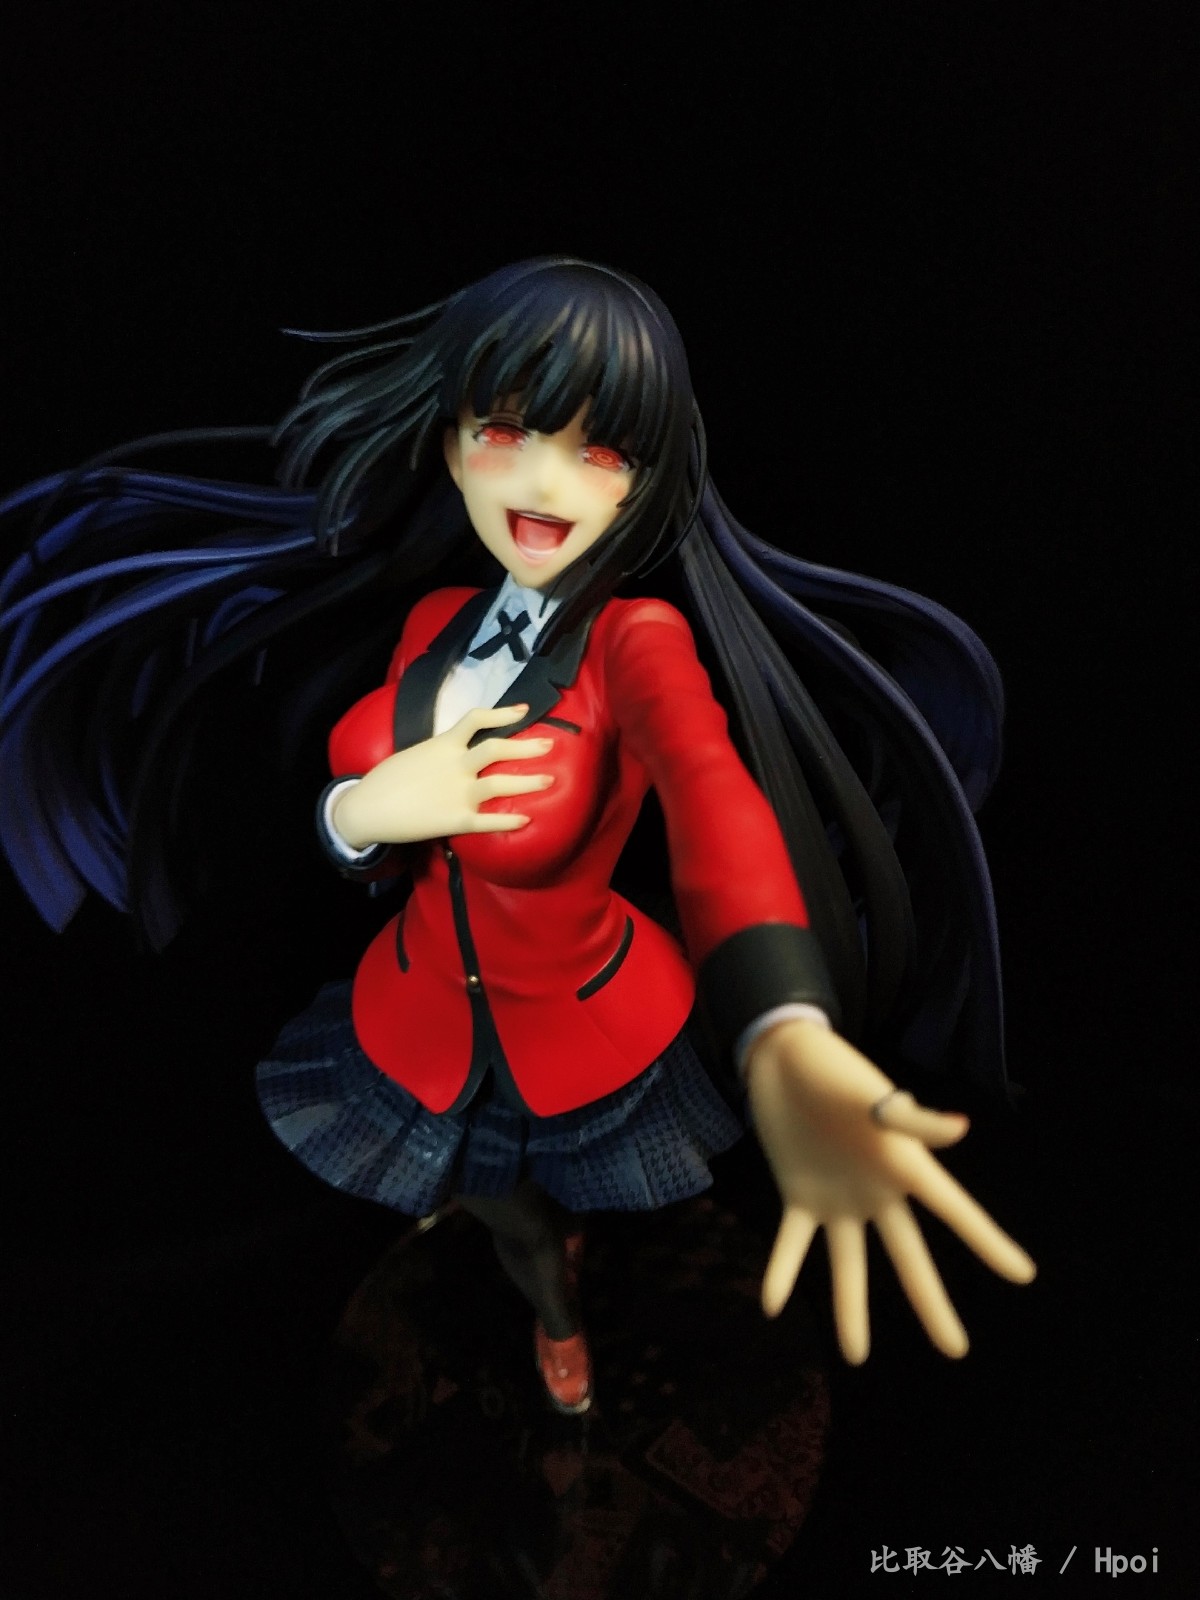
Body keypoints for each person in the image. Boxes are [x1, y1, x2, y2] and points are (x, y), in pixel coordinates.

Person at [0, 257, 1033, 1414]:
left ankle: (570, 1282)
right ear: (451, 447)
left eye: (602, 448)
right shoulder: (433, 623)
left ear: (648, 481)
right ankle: (556, 1316)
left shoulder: (633, 643)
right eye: (504, 429)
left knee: (588, 1193)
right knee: (510, 1223)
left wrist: (783, 1024)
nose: (542, 479)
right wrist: (359, 814)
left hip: (593, 1028)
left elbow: (714, 795)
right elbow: (367, 822)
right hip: (420, 1023)